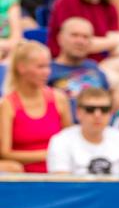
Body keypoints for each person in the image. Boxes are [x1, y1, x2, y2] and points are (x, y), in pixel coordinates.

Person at [0, 41, 71, 173]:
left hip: (58, 173)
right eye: (40, 67)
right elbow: (5, 153)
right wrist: (48, 154)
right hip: (24, 177)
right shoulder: (7, 105)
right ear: (22, 68)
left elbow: (71, 140)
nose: (47, 72)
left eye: (48, 66)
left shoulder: (59, 98)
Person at [47, 84, 119, 174]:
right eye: (90, 109)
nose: (97, 115)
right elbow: (61, 183)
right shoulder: (61, 141)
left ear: (110, 113)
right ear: (78, 113)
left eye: (104, 109)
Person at [47, 0, 119, 63]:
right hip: (68, 63)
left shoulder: (109, 6)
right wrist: (112, 42)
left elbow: (116, 46)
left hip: (98, 64)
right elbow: (76, 44)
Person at [50, 17, 109, 105]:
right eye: (74, 35)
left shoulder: (94, 67)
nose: (80, 41)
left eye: (85, 37)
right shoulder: (47, 70)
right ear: (60, 38)